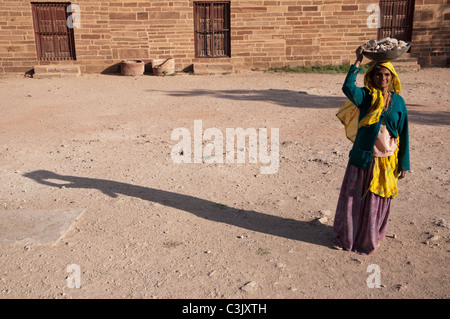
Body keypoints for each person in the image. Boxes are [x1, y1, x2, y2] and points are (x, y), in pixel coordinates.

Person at [333, 45, 410, 254]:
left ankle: (370, 237)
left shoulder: (399, 102)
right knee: (354, 199)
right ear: (372, 77)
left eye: (387, 74)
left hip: (386, 161)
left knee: (378, 200)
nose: (382, 78)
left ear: (392, 78)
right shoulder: (365, 97)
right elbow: (348, 87)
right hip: (363, 158)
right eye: (378, 74)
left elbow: (404, 133)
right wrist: (357, 62)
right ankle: (347, 237)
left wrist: (404, 163)